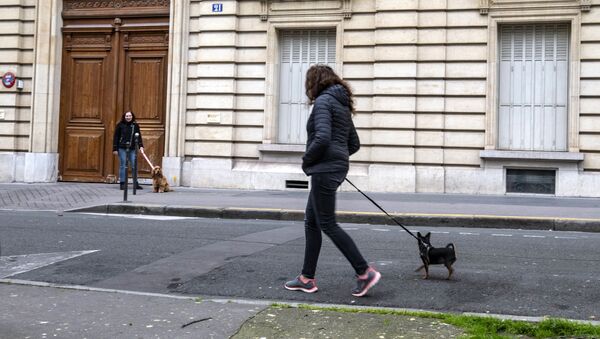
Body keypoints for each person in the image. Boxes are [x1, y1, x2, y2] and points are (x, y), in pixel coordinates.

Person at [284, 65, 381, 297]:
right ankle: (306, 278)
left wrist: (308, 159)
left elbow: (323, 138)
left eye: (309, 83)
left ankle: (364, 272)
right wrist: (338, 158)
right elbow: (354, 144)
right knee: (312, 222)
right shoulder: (340, 104)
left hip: (324, 170)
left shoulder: (324, 103)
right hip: (333, 168)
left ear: (315, 82)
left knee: (327, 223)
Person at [113, 111, 144, 190]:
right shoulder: (120, 125)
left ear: (132, 116)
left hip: (132, 148)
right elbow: (116, 137)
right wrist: (115, 148)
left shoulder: (135, 125)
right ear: (124, 117)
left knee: (134, 165)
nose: (128, 117)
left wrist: (141, 146)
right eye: (127, 116)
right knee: (123, 165)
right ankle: (122, 183)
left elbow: (138, 136)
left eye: (130, 116)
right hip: (122, 148)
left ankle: (135, 183)